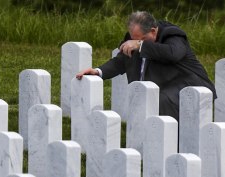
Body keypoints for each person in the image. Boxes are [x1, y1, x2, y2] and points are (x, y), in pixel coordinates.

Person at [76, 11, 216, 124]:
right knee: (148, 100)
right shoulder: (134, 38)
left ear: (154, 31)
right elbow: (121, 61)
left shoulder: (172, 34)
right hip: (160, 87)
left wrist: (141, 45)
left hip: (188, 83)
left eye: (141, 39)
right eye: (134, 38)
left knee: (160, 101)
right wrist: (98, 71)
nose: (136, 42)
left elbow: (174, 54)